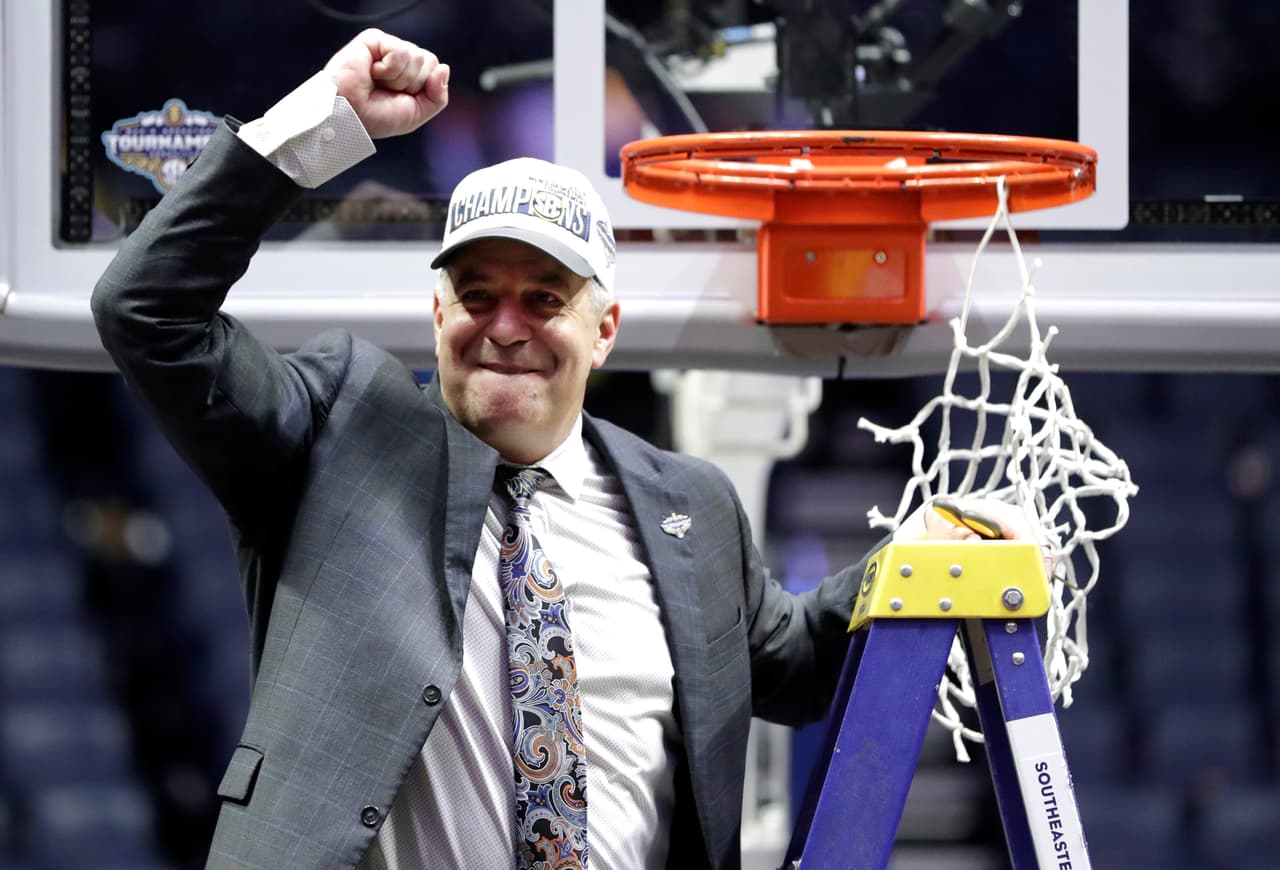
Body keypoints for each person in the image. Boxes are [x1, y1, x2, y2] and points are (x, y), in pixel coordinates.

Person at [92, 29, 1031, 870]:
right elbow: (146, 312)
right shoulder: (338, 430)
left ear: (605, 328)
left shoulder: (689, 506)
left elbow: (795, 662)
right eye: (476, 294)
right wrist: (319, 123)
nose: (505, 326)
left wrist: (923, 555)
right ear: (437, 312)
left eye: (543, 298)